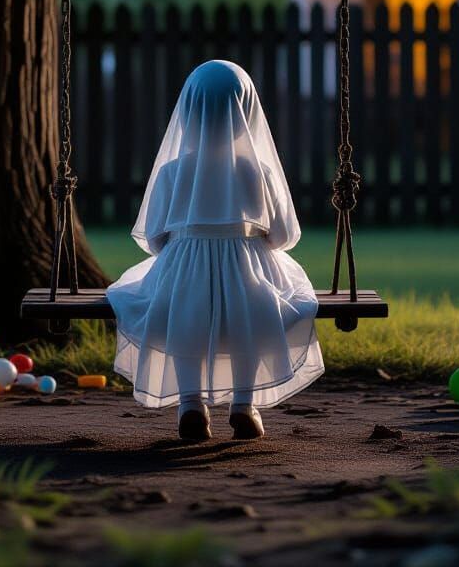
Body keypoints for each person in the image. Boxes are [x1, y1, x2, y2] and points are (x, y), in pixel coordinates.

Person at [107, 59, 324, 441]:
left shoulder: (173, 171)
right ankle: (244, 404)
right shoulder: (258, 171)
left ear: (187, 111)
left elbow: (155, 240)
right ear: (247, 110)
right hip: (248, 275)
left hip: (184, 273)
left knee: (181, 311)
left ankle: (191, 404)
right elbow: (284, 236)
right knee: (256, 310)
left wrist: (190, 243)